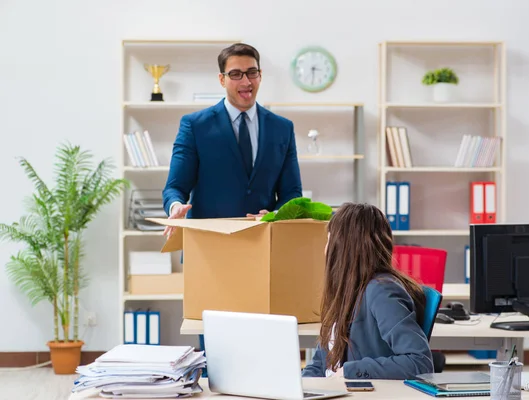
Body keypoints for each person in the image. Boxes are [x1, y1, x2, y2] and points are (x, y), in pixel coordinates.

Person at [162, 43, 302, 235]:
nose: (246, 82)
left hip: (263, 242)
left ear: (260, 75)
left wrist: (276, 214)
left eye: (252, 72)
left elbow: (292, 193)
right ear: (222, 79)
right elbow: (175, 187)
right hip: (207, 244)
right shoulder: (195, 126)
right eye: (236, 74)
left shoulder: (282, 128)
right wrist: (175, 206)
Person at [301, 202, 434, 380]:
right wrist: (301, 386)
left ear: (344, 248)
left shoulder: (382, 291)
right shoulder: (345, 291)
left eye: (329, 240)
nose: (325, 249)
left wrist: (350, 372)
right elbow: (320, 363)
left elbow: (420, 362)